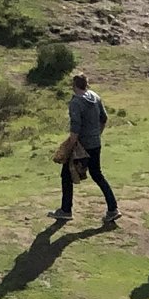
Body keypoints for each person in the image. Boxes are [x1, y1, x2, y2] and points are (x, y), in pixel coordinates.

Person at [55, 72, 118, 222]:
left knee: (66, 175)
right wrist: (97, 134)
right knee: (97, 174)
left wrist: (69, 148)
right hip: (95, 143)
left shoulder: (76, 103)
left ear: (74, 85)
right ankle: (113, 208)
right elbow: (104, 118)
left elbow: (75, 129)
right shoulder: (95, 97)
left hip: (81, 146)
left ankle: (66, 210)